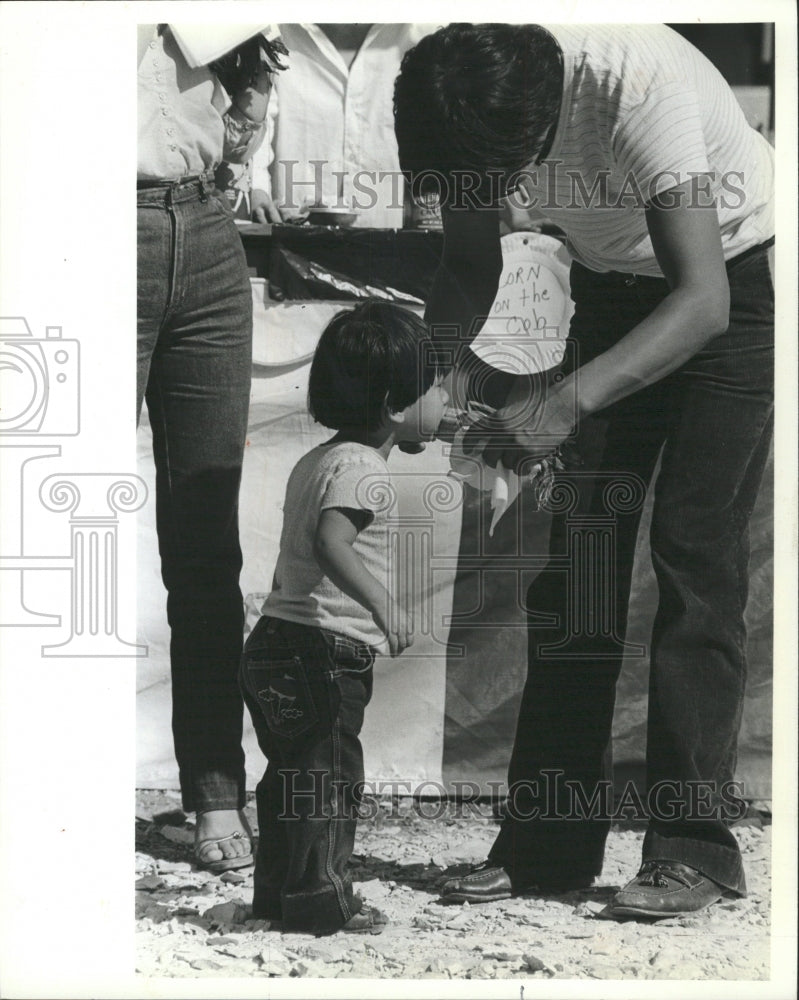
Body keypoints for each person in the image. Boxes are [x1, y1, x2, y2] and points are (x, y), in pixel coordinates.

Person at [394, 23, 774, 918]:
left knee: (695, 563)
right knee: (576, 578)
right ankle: (546, 845)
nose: (494, 197)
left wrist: (559, 407)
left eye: (499, 180)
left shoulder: (634, 88)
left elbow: (702, 301)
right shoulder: (460, 95)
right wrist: (426, 380)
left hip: (736, 287)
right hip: (611, 286)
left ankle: (693, 850)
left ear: (539, 131)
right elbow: (466, 258)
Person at [239, 302, 449, 934]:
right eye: (433, 387)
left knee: (290, 780)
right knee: (328, 781)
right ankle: (322, 903)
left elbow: (295, 555)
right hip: (322, 653)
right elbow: (332, 543)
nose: (444, 399)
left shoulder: (319, 460)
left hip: (277, 641)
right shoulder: (364, 467)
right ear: (393, 404)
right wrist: (384, 603)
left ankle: (278, 895)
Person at [137, 24, 286, 872]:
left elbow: (245, 52)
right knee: (51, 523)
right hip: (86, 217)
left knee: (204, 541)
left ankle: (215, 793)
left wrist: (248, 135)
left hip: (203, 220)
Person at [250, 23, 438, 228]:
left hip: (394, 249)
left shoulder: (425, 33)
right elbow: (254, 131)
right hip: (289, 242)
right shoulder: (271, 30)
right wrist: (258, 192)